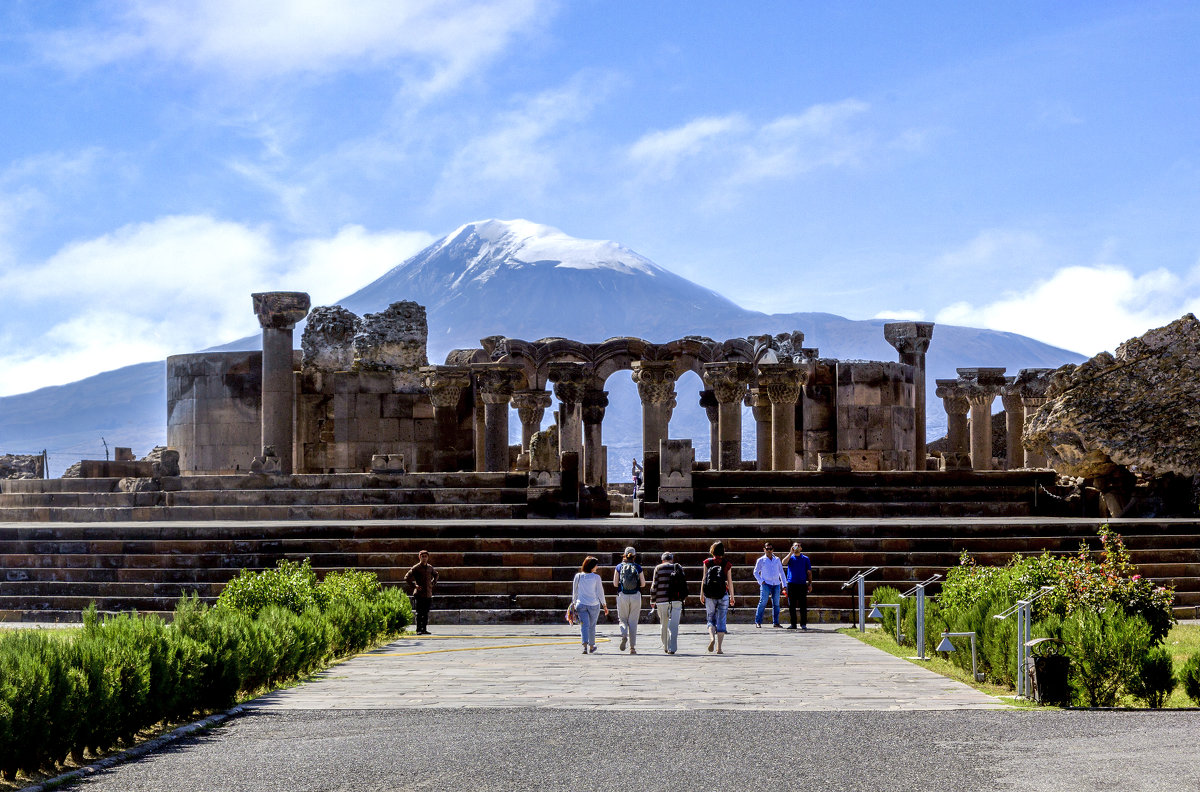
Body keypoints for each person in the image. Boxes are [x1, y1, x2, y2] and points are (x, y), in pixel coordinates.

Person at [700, 541, 735, 654]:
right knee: (721, 620)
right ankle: (719, 648)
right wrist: (732, 597)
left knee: (710, 618)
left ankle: (712, 638)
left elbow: (704, 579)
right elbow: (729, 582)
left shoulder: (707, 562)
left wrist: (701, 594)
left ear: (712, 551)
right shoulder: (727, 563)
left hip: (709, 594)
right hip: (723, 594)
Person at [650, 551, 688, 654]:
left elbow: (654, 585)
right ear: (672, 559)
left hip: (661, 601)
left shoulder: (658, 568)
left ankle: (665, 646)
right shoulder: (677, 567)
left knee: (664, 623)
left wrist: (653, 600)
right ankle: (672, 648)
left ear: (662, 560)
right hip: (676, 600)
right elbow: (684, 584)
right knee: (674, 625)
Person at [612, 546, 646, 653]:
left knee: (622, 619)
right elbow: (643, 584)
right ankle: (632, 648)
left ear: (624, 555)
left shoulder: (619, 567)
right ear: (634, 556)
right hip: (636, 595)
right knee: (633, 621)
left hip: (622, 595)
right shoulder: (638, 567)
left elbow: (615, 584)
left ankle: (623, 634)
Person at [572, 555, 609, 653]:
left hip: (581, 604)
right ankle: (592, 646)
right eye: (596, 565)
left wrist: (573, 603)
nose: (597, 567)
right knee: (592, 626)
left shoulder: (578, 576)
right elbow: (600, 592)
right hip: (594, 604)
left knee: (584, 625)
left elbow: (574, 592)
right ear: (592, 566)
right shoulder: (596, 577)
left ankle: (584, 646)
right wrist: (604, 605)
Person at [404, 549, 439, 635]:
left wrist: (433, 582)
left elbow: (436, 574)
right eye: (422, 556)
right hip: (419, 594)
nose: (424, 558)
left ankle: (424, 629)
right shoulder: (416, 568)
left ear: (428, 557)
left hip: (428, 594)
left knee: (426, 612)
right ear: (419, 557)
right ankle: (418, 629)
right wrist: (414, 586)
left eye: (425, 556)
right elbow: (406, 577)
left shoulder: (430, 567)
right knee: (419, 612)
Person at [753, 542, 786, 628]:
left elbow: (781, 572)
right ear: (764, 550)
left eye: (770, 549)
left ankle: (776, 622)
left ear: (773, 550)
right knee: (763, 602)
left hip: (776, 583)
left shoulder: (777, 559)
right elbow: (755, 572)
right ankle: (758, 621)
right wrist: (761, 581)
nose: (769, 551)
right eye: (767, 549)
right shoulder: (761, 560)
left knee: (776, 603)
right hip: (766, 583)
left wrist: (784, 584)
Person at [784, 542, 814, 630]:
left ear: (801, 548)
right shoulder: (791, 558)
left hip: (802, 584)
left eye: (799, 546)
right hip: (791, 584)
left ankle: (803, 624)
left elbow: (809, 572)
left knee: (803, 605)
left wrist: (810, 584)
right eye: (795, 546)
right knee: (791, 605)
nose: (797, 547)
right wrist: (790, 553)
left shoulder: (805, 559)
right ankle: (793, 624)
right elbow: (783, 562)